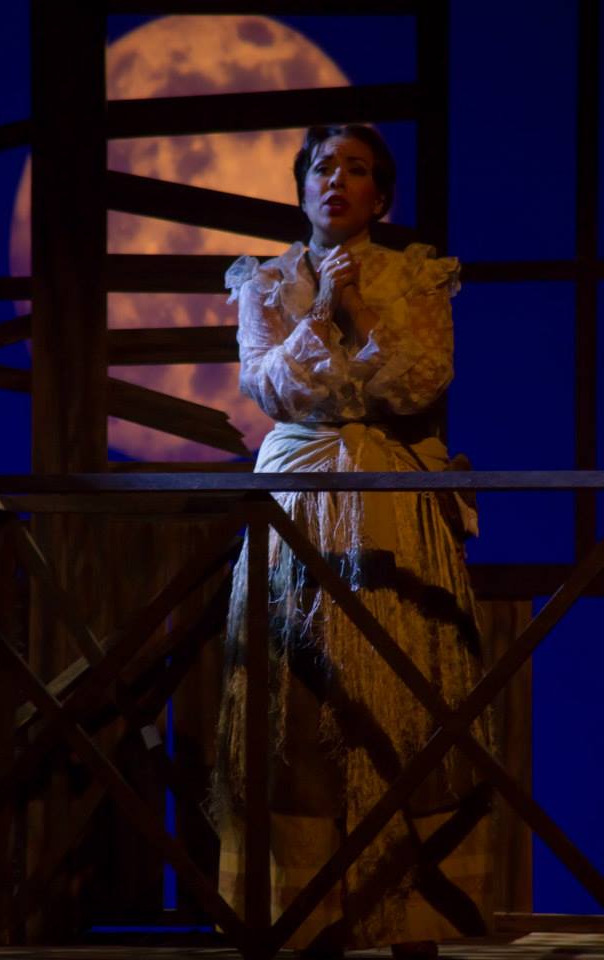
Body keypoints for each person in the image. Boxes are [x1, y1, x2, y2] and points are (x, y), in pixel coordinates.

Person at [212, 125, 492, 957]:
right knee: (297, 695)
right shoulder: (267, 281)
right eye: (323, 168)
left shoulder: (417, 275)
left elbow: (419, 380)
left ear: (382, 196)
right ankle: (298, 912)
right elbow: (267, 386)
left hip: (390, 504)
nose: (337, 181)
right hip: (299, 497)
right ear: (302, 187)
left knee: (404, 686)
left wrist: (362, 310)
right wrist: (320, 315)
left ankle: (412, 908)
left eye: (357, 169)